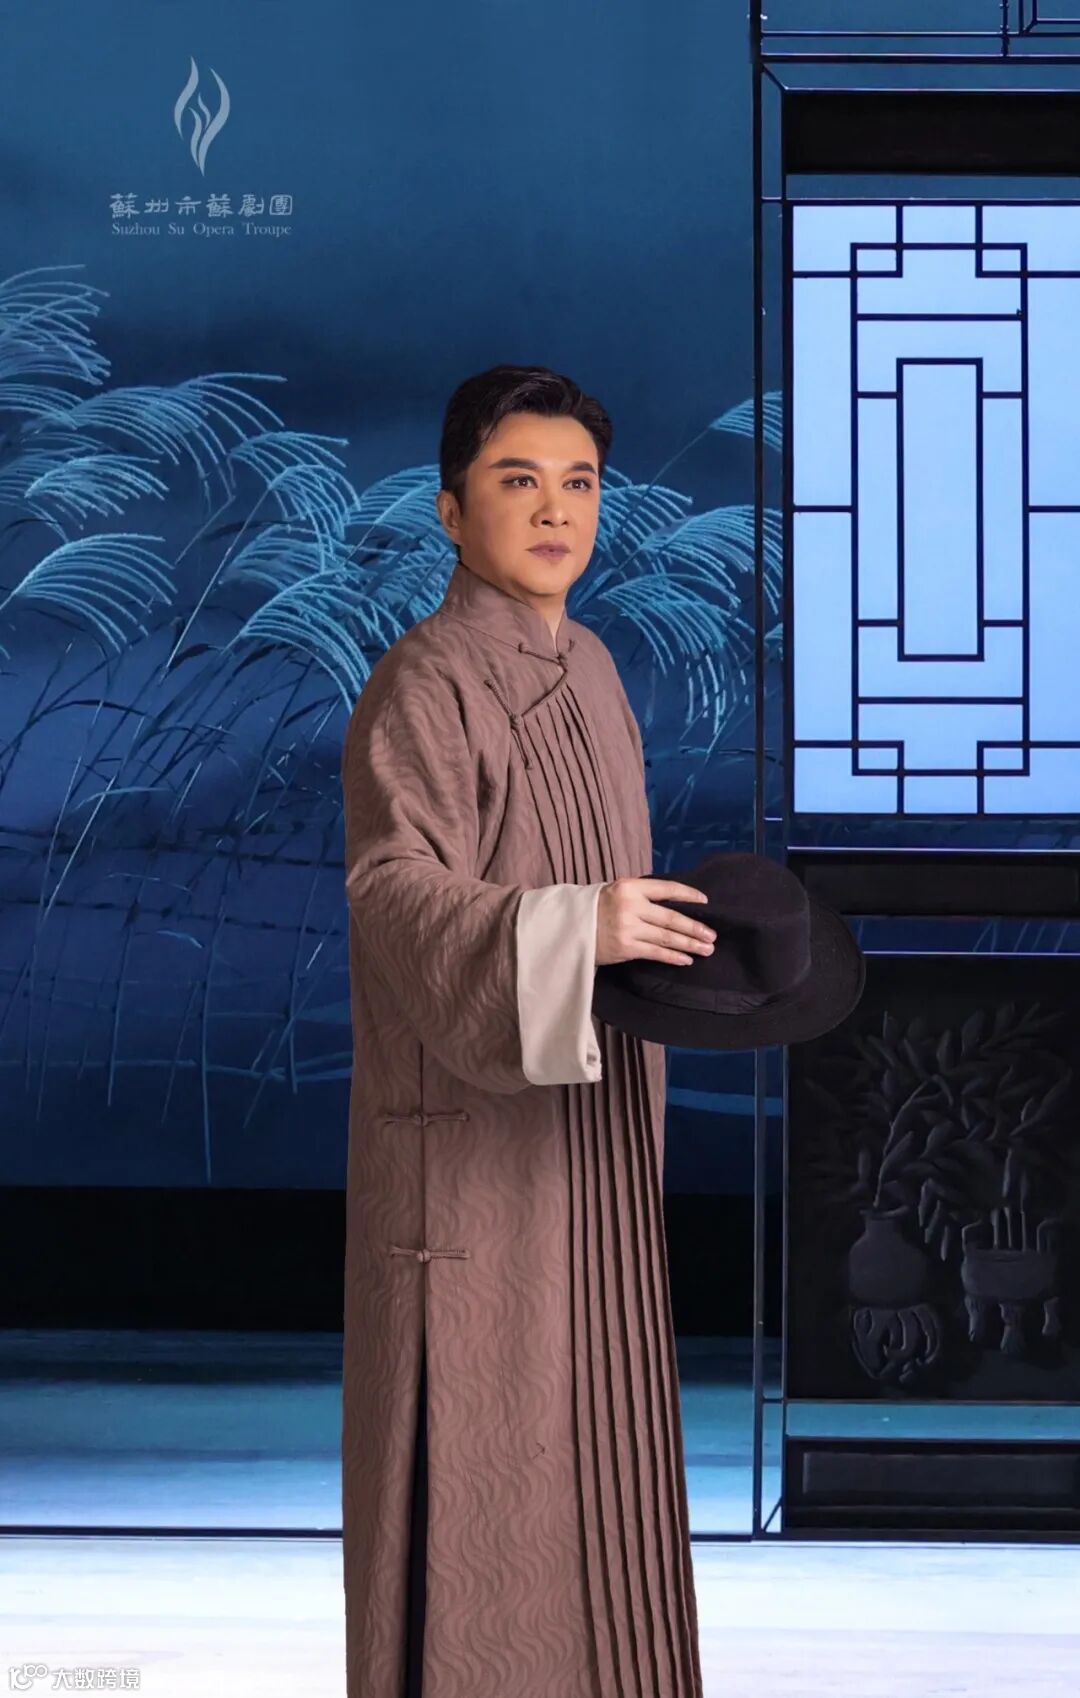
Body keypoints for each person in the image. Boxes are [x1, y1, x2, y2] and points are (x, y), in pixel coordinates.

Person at [340, 362, 713, 1697]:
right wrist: (574, 928)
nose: (557, 509)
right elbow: (394, 893)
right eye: (518, 480)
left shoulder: (594, 668)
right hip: (470, 1158)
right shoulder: (423, 681)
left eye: (579, 483)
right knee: (486, 1476)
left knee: (600, 1440)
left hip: (592, 1134)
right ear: (449, 510)